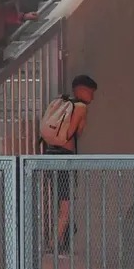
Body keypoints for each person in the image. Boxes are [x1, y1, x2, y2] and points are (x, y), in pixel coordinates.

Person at [37, 75, 98, 255]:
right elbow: (77, 132)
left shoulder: (60, 102)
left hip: (49, 155)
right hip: (65, 158)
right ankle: (54, 243)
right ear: (81, 90)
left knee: (56, 199)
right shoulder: (80, 108)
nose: (92, 98)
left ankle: (59, 239)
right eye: (91, 93)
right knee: (66, 204)